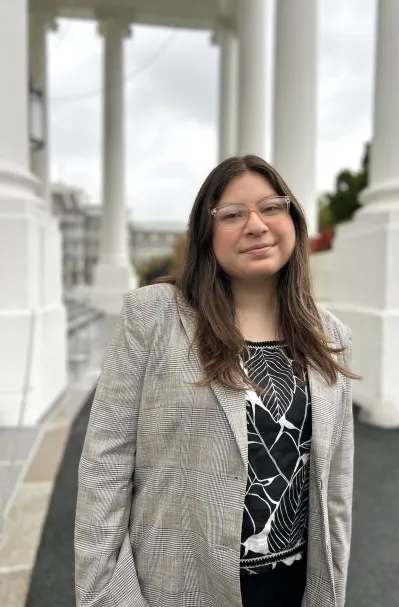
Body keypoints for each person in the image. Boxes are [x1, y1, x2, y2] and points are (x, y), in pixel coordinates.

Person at [75, 155, 356, 607]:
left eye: (271, 207)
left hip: (290, 586)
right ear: (206, 234)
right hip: (175, 587)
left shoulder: (329, 336)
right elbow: (103, 474)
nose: (256, 225)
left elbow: (335, 492)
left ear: (293, 220)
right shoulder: (154, 317)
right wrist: (108, 598)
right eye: (231, 214)